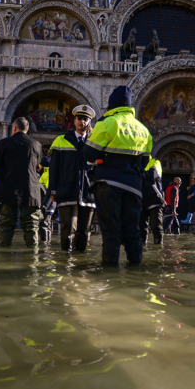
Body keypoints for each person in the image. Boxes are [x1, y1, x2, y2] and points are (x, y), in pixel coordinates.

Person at [84, 85, 153, 265]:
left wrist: (102, 159)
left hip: (108, 183)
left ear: (111, 105)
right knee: (133, 231)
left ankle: (110, 275)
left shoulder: (107, 123)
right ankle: (135, 273)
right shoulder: (143, 129)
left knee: (111, 231)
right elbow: (145, 163)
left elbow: (89, 154)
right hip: (134, 187)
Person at [47, 105, 97, 252]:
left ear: (90, 123)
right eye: (79, 118)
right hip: (66, 190)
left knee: (84, 231)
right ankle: (65, 264)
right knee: (68, 229)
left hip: (88, 193)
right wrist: (53, 190)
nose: (82, 122)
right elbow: (54, 168)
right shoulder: (61, 140)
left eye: (86, 119)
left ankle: (80, 267)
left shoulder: (94, 142)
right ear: (74, 121)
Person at [0, 117, 43, 247]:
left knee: (7, 223)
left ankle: (4, 254)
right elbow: (37, 167)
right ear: (27, 129)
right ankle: (33, 257)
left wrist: (1, 183)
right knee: (31, 224)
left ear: (14, 127)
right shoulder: (36, 144)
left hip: (7, 190)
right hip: (30, 190)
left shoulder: (4, 143)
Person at [140, 156, 164, 245]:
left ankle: (158, 250)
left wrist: (138, 171)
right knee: (141, 228)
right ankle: (142, 249)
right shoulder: (137, 163)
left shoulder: (155, 162)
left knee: (156, 227)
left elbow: (151, 175)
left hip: (155, 199)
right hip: (142, 200)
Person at [37, 156, 56, 243]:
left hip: (48, 204)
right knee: (45, 224)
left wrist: (44, 205)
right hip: (48, 204)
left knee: (44, 224)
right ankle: (46, 243)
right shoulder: (48, 174)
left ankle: (45, 245)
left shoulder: (47, 175)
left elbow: (50, 191)